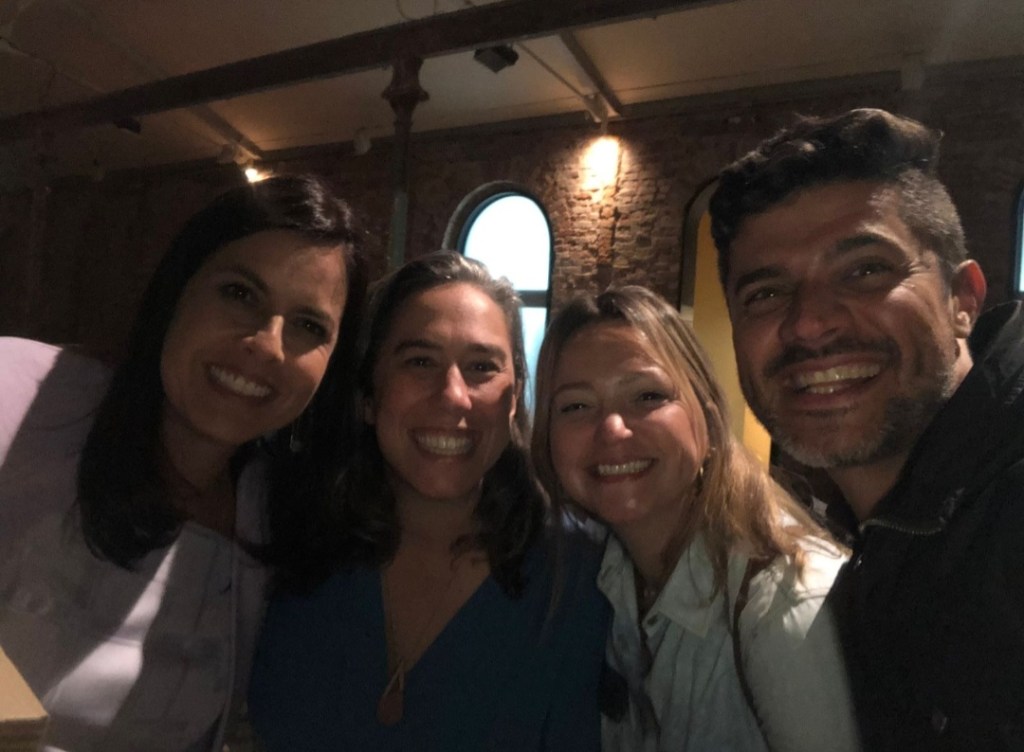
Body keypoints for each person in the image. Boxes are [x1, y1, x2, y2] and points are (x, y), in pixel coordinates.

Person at [0, 174, 368, 752]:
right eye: (240, 293)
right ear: (177, 290)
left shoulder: (278, 514)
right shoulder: (23, 397)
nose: (268, 344)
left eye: (308, 326)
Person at [709, 107, 1024, 750]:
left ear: (962, 300)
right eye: (766, 294)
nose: (809, 323)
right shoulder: (886, 543)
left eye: (865, 270)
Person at [248, 252, 609, 752]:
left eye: (481, 367)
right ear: (368, 395)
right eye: (420, 361)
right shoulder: (288, 532)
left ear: (514, 399)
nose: (453, 395)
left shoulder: (579, 575)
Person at [531, 285, 859, 752]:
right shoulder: (601, 577)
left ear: (706, 419)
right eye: (576, 406)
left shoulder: (781, 605)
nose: (612, 429)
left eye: (647, 396)